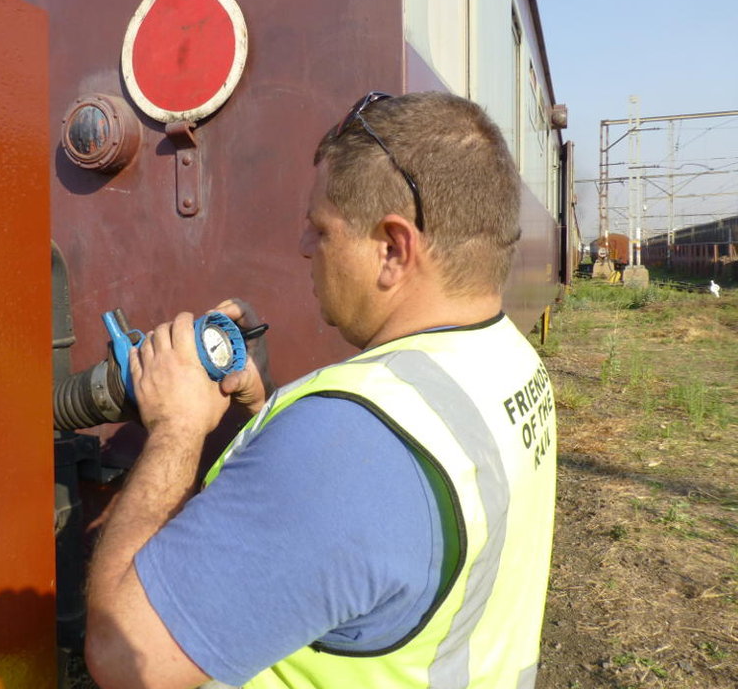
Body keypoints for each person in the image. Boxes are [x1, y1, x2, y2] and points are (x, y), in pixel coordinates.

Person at [85, 91, 558, 689]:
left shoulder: (348, 446)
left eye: (321, 229)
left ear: (393, 248)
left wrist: (175, 428)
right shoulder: (507, 358)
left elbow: (122, 658)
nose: (306, 248)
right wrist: (263, 408)